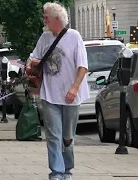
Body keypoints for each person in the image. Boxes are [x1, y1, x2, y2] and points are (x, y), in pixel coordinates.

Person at [30, 2, 89, 180]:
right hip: (50, 94)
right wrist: (29, 66)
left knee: (67, 138)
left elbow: (83, 66)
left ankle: (67, 170)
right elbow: (33, 58)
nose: (44, 20)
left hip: (71, 96)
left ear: (56, 19)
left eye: (46, 17)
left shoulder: (74, 36)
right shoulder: (45, 38)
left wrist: (74, 87)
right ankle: (57, 172)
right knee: (53, 136)